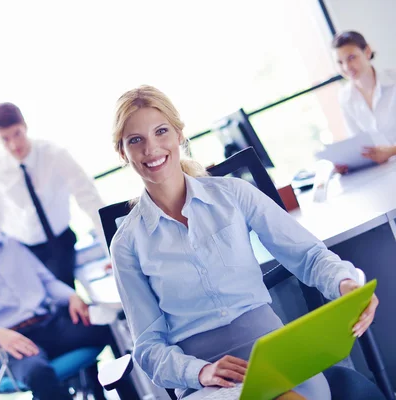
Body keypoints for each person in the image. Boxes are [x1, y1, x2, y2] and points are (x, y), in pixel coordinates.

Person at [108, 85, 379, 399]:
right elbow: (148, 347)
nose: (151, 149)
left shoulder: (233, 194)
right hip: (206, 381)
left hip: (276, 356)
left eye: (161, 131)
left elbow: (308, 256)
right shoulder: (126, 244)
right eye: (135, 140)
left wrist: (346, 285)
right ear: (122, 152)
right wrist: (200, 372)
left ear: (180, 135)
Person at [0, 196, 114, 400]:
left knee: (112, 328)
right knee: (38, 373)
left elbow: (48, 282)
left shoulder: (12, 247)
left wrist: (71, 296)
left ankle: (114, 393)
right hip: (15, 341)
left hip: (50, 325)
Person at [0, 102, 110, 288]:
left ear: (25, 126)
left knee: (66, 299)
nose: (13, 144)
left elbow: (92, 203)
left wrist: (112, 253)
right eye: (5, 139)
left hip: (60, 243)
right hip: (22, 250)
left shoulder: (55, 155)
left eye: (17, 134)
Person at [333, 31, 396, 170]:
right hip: (380, 171)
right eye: (340, 62)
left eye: (351, 58)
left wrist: (392, 151)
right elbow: (358, 145)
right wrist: (347, 163)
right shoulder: (345, 97)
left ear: (367, 52)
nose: (346, 67)